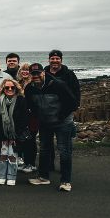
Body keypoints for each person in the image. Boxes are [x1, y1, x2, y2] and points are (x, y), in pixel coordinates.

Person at [25, 63, 78, 192]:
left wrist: (61, 117)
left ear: (43, 72)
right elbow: (30, 106)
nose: (36, 76)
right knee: (44, 149)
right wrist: (37, 117)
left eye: (38, 73)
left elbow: (73, 103)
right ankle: (43, 177)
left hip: (63, 122)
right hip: (45, 122)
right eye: (33, 74)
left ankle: (66, 181)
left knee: (64, 150)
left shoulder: (57, 85)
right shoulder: (29, 89)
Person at [0, 78, 28, 186]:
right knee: (2, 154)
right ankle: (1, 176)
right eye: (7, 87)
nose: (10, 89)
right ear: (3, 89)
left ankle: (11, 176)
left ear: (16, 88)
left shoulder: (21, 100)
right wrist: (1, 134)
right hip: (1, 133)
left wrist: (16, 135)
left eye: (12, 87)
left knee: (12, 155)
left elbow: (24, 119)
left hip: (16, 133)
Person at [16, 63, 37, 174]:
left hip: (32, 116)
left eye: (27, 70)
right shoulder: (18, 83)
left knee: (31, 140)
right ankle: (25, 162)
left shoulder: (33, 84)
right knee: (22, 139)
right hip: (22, 116)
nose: (24, 72)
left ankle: (31, 164)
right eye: (22, 70)